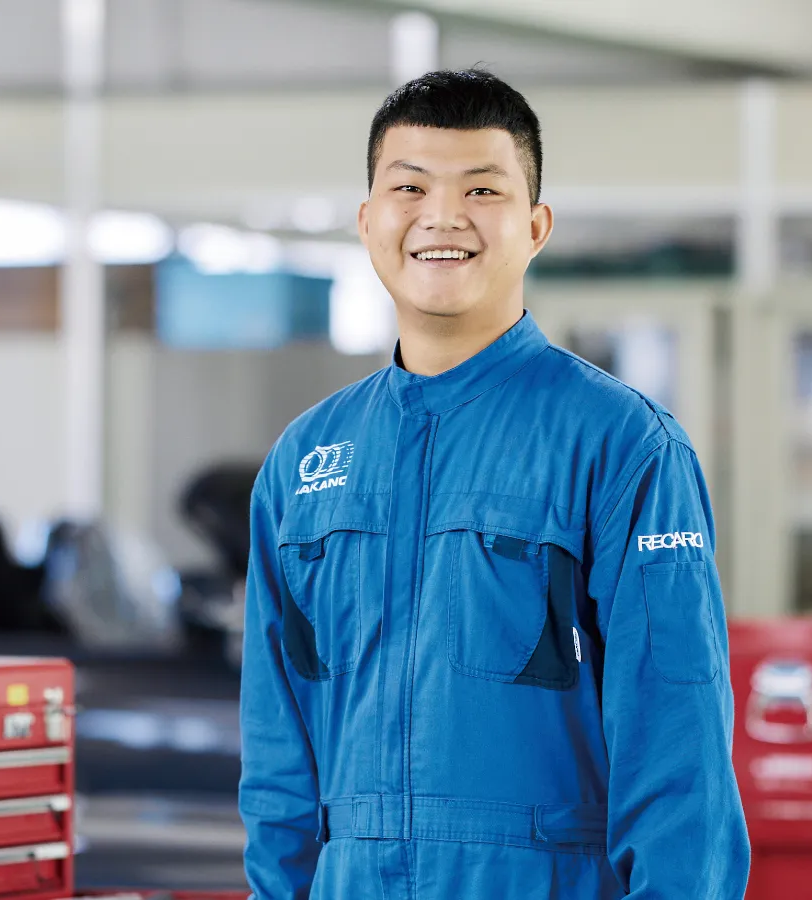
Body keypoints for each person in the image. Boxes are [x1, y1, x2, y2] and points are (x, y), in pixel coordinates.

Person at [239, 68, 750, 900]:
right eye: (410, 188)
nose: (442, 217)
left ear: (536, 226)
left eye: (482, 189)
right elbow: (277, 755)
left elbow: (678, 744)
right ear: (368, 222)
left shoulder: (622, 445)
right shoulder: (305, 460)